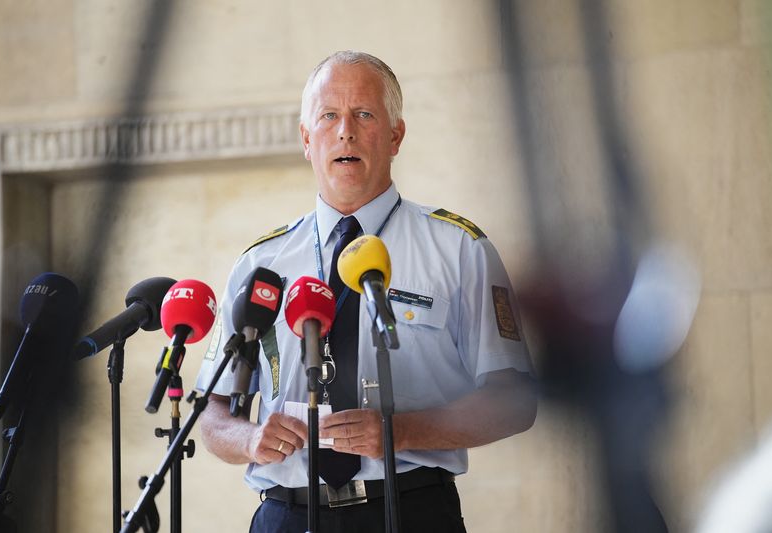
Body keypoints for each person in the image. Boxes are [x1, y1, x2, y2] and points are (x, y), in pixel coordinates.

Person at [196, 50, 537, 533]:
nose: (345, 132)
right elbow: (210, 412)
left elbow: (516, 399)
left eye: (364, 114)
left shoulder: (459, 248)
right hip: (286, 514)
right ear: (305, 139)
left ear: (396, 135)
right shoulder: (261, 263)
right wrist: (250, 438)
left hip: (411, 511)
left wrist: (399, 431)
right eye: (329, 116)